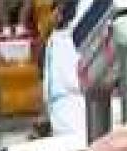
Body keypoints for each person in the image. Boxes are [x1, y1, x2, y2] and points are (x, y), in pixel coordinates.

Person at [42, 0, 85, 138]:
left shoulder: (69, 39)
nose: (54, 15)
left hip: (75, 113)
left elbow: (74, 83)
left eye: (58, 10)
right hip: (60, 114)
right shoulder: (54, 39)